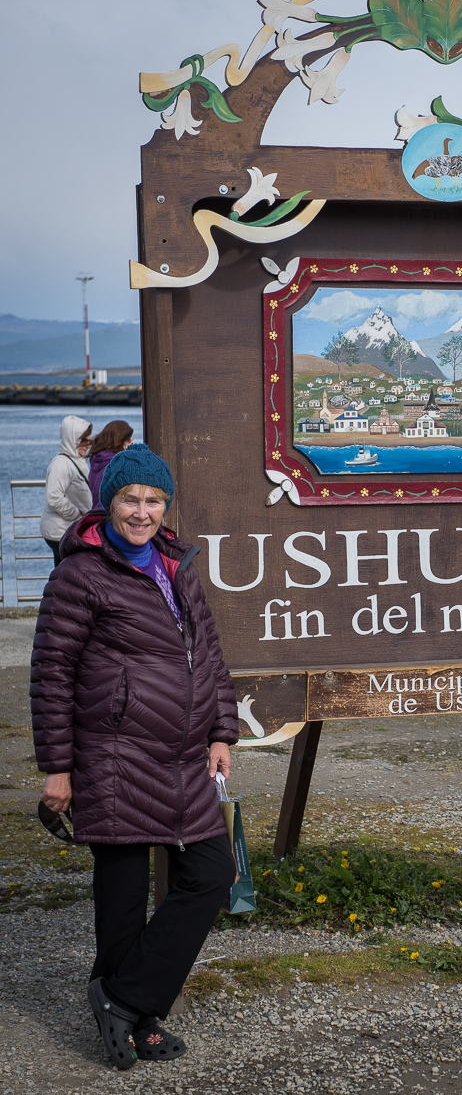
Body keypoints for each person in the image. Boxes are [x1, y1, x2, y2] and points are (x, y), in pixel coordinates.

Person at [31, 443, 237, 1070]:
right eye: (130, 499)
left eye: (153, 500)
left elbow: (208, 655)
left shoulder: (176, 564)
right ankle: (138, 1020)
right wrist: (58, 768)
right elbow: (52, 675)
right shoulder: (80, 575)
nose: (142, 512)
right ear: (109, 502)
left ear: (165, 507)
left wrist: (222, 732)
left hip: (183, 757)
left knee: (212, 874)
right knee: (121, 900)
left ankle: (123, 998)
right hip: (113, 756)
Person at [39, 415, 93, 566]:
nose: (88, 445)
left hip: (67, 531)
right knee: (75, 570)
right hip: (60, 531)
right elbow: (54, 497)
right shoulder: (61, 464)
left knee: (64, 572)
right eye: (84, 441)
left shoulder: (77, 461)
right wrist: (77, 514)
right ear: (72, 439)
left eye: (90, 441)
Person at [87, 420, 134, 509]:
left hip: (95, 513)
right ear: (125, 442)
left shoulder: (96, 461)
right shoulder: (119, 465)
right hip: (110, 514)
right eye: (131, 442)